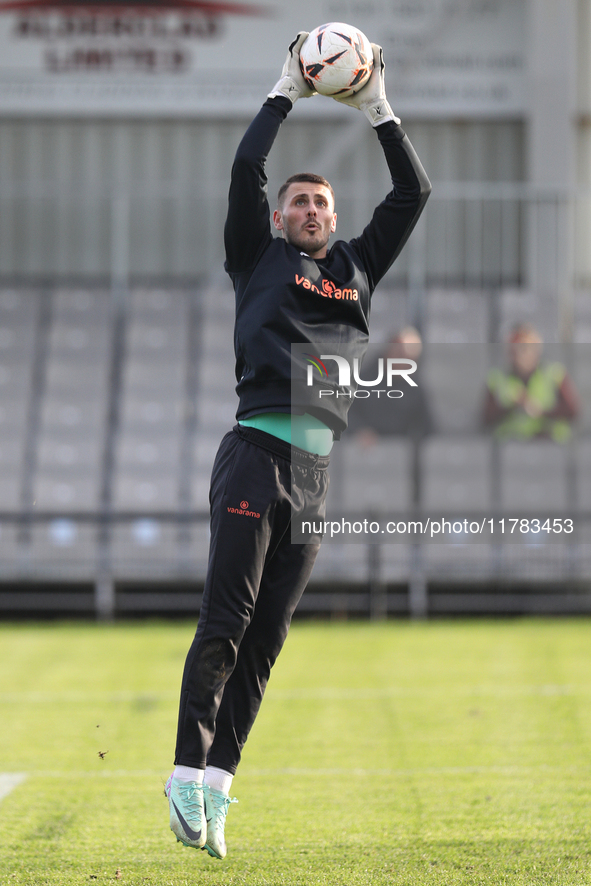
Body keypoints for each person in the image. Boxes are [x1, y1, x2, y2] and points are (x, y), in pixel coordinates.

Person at [165, 32, 431, 859]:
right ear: (280, 218)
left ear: (335, 219)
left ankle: (217, 789)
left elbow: (414, 191)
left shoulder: (353, 268)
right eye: (298, 204)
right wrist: (286, 90)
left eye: (320, 203)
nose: (309, 211)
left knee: (268, 640)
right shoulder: (256, 258)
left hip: (314, 469)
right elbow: (245, 168)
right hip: (254, 451)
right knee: (226, 622)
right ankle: (181, 773)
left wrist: (378, 108)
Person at [483, 323, 579, 442]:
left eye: (525, 349)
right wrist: (513, 406)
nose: (520, 355)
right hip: (511, 445)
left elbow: (572, 411)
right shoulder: (496, 378)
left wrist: (540, 411)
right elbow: (486, 418)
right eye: (515, 349)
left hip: (549, 443)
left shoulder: (555, 374)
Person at [349, 326, 434, 445]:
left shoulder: (414, 388)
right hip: (363, 450)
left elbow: (427, 426)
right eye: (400, 355)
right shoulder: (362, 379)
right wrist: (359, 430)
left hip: (398, 452)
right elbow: (345, 413)